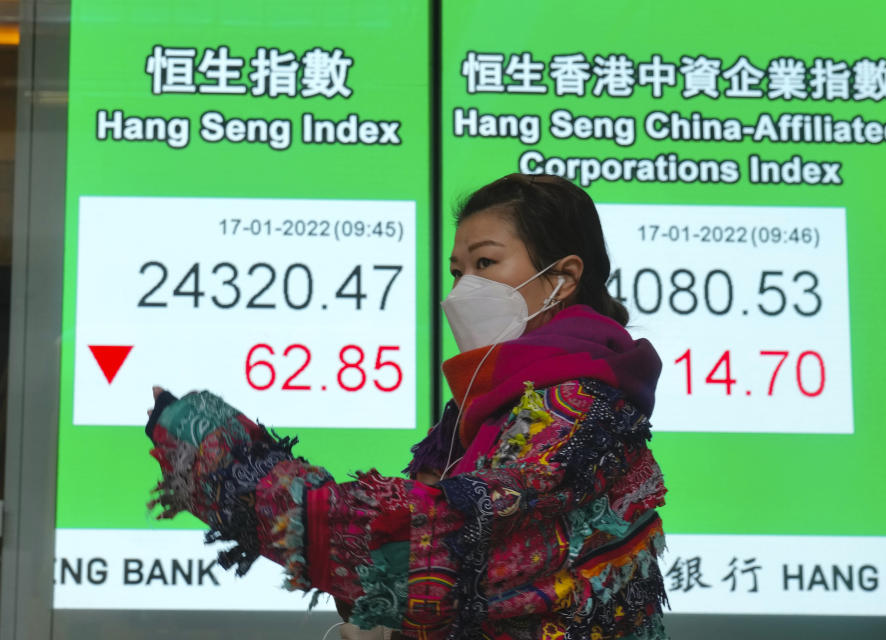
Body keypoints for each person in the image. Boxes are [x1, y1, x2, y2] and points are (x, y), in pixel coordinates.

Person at [145, 173, 668, 640]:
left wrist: (216, 449)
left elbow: (428, 551)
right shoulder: (484, 410)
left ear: (562, 278)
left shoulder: (580, 407)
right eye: (457, 271)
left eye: (485, 263)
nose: (463, 290)